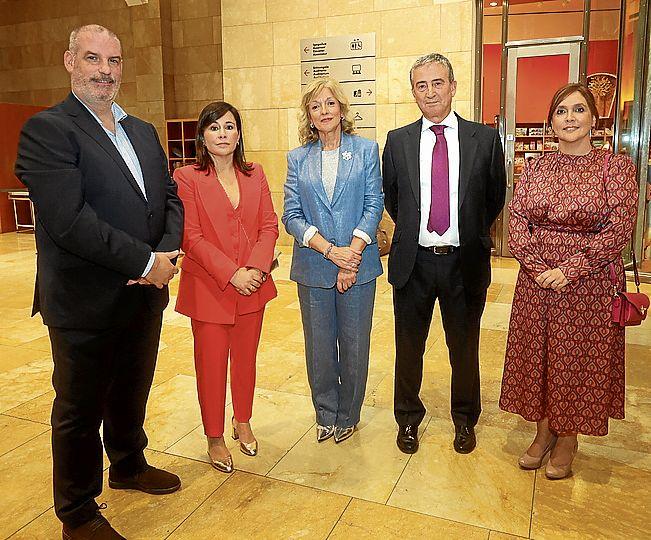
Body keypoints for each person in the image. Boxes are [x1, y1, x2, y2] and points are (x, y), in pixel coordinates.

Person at [14, 25, 184, 539]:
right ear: (70, 61)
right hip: (85, 300)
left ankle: (129, 464)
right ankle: (78, 512)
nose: (105, 71)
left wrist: (165, 254)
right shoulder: (48, 130)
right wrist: (142, 260)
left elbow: (170, 198)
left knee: (132, 388)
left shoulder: (143, 131)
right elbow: (69, 221)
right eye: (93, 59)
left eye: (114, 61)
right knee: (79, 408)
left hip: (143, 296)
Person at [499, 83, 638, 479]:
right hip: (536, 280)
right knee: (540, 356)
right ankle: (542, 433)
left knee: (576, 360)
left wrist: (569, 269)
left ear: (594, 119)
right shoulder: (537, 166)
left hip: (588, 283)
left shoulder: (616, 167)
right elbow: (518, 220)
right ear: (552, 121)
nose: (570, 118)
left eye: (579, 110)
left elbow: (619, 230)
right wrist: (538, 266)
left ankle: (568, 438)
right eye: (561, 111)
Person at [382, 53, 506, 455]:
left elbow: (493, 197)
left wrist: (466, 231)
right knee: (409, 347)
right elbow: (394, 198)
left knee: (464, 347)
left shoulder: (483, 139)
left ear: (453, 86)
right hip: (413, 263)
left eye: (438, 83)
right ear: (413, 93)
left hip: (463, 262)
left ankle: (465, 419)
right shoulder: (398, 141)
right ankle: (408, 419)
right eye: (422, 85)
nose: (430, 92)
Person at [174, 101, 278, 473]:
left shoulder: (255, 173)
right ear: (203, 135)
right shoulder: (187, 177)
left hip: (253, 285)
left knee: (246, 360)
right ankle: (215, 435)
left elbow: (269, 224)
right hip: (209, 289)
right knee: (211, 365)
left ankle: (243, 420)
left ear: (239, 133)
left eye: (230, 127)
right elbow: (191, 236)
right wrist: (232, 273)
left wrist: (254, 269)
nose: (223, 134)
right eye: (215, 127)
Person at [282, 78, 383, 444]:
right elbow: (291, 215)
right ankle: (325, 413)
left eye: (330, 104)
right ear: (309, 117)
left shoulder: (366, 150)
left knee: (355, 345)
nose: (324, 111)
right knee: (319, 347)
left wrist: (350, 256)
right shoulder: (297, 158)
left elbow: (374, 204)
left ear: (342, 109)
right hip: (314, 267)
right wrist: (330, 251)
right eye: (315, 106)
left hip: (359, 266)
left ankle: (349, 414)